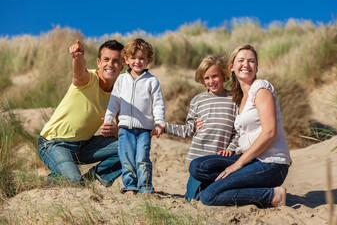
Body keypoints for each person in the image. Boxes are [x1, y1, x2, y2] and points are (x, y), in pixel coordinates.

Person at [189, 44, 292, 207]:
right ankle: (233, 185)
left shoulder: (261, 88)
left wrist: (238, 164)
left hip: (270, 164)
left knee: (209, 196)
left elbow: (270, 132)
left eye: (251, 61)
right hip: (249, 159)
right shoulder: (239, 96)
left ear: (256, 67)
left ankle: (273, 195)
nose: (246, 64)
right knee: (198, 166)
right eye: (241, 60)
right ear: (232, 67)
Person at [38, 40, 124, 187]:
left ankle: (91, 178)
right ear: (98, 62)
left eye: (116, 61)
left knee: (130, 145)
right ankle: (49, 177)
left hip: (84, 146)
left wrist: (116, 131)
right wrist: (78, 58)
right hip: (54, 143)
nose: (110, 64)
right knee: (74, 181)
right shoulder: (89, 79)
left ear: (122, 66)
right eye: (106, 59)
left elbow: (124, 130)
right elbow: (79, 74)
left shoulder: (118, 95)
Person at [160, 55, 238, 201]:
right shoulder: (198, 100)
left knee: (212, 197)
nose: (211, 81)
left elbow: (237, 130)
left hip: (219, 161)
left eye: (215, 76)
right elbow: (187, 130)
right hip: (198, 160)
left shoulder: (233, 99)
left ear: (223, 74)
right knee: (192, 199)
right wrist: (165, 127)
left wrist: (230, 148)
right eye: (206, 78)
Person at [104, 38, 165, 195]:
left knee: (142, 159)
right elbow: (114, 102)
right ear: (126, 60)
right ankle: (130, 186)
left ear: (148, 60)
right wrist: (108, 119)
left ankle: (145, 187)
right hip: (125, 128)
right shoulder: (121, 80)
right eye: (133, 58)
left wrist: (159, 122)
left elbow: (158, 103)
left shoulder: (152, 81)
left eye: (141, 58)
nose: (137, 61)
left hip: (144, 129)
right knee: (127, 159)